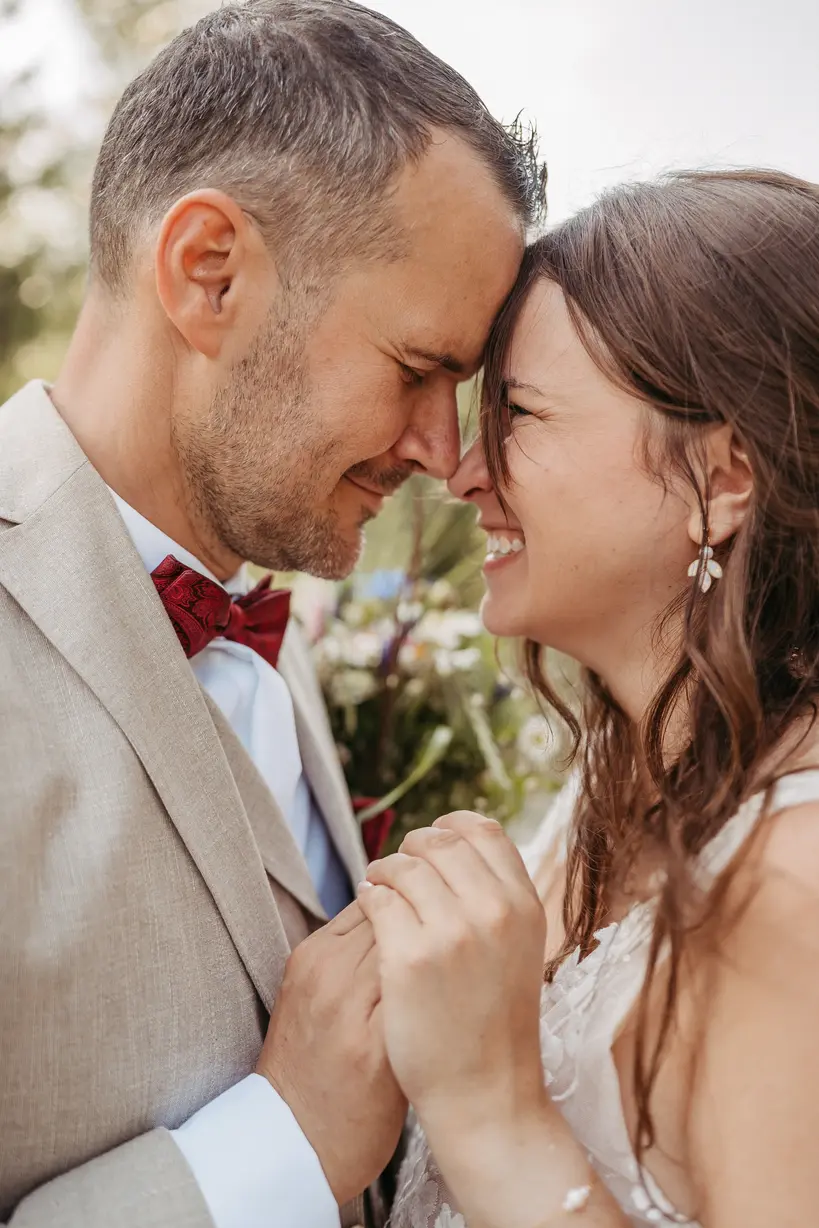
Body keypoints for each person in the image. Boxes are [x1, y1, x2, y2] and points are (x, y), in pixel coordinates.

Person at [0, 2, 545, 1225]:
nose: (444, 454)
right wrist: (282, 1142)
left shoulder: (267, 596)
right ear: (211, 272)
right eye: (418, 370)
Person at [356, 169, 819, 1227]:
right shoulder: (602, 793)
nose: (464, 473)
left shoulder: (794, 890)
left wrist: (491, 1106)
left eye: (517, 412)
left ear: (724, 476)